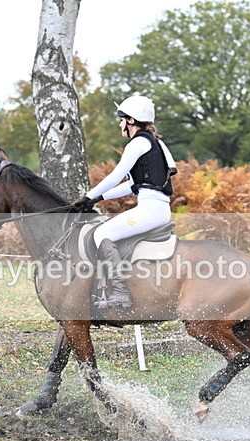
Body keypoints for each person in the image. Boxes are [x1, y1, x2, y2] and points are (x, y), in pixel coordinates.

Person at [73, 94, 177, 310]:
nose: (120, 123)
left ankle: (120, 293)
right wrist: (100, 197)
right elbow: (131, 185)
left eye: (122, 119)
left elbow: (115, 175)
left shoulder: (138, 142)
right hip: (156, 207)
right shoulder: (153, 143)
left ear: (131, 120)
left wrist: (89, 196)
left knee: (101, 234)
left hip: (150, 210)